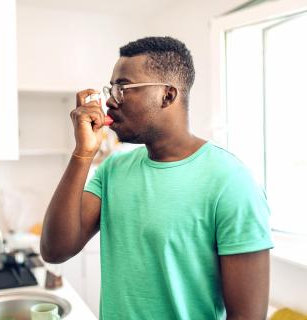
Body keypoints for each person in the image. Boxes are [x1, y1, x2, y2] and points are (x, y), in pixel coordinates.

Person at [41, 36, 274, 320]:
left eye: (123, 88)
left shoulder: (232, 183)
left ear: (168, 95)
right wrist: (82, 153)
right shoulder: (113, 169)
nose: (110, 102)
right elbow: (55, 250)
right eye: (111, 89)